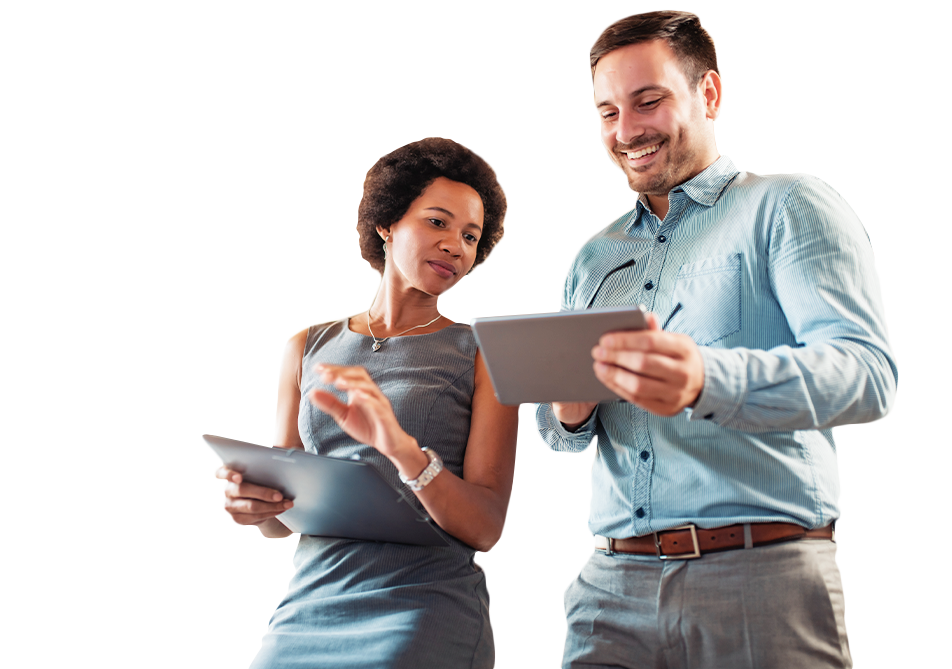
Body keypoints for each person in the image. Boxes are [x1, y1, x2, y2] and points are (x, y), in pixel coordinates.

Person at [534, 11, 897, 669]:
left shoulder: (788, 207)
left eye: (648, 101)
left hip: (759, 577)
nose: (626, 130)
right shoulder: (592, 258)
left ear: (708, 94)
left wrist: (706, 379)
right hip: (608, 588)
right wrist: (567, 408)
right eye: (608, 112)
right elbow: (563, 434)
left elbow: (865, 374)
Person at [215, 137, 520, 668]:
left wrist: (401, 448)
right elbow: (283, 503)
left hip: (423, 606)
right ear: (387, 223)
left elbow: (487, 526)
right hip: (312, 603)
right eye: (438, 222)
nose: (456, 245)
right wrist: (246, 504)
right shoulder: (308, 344)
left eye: (471, 236)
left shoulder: (485, 347)